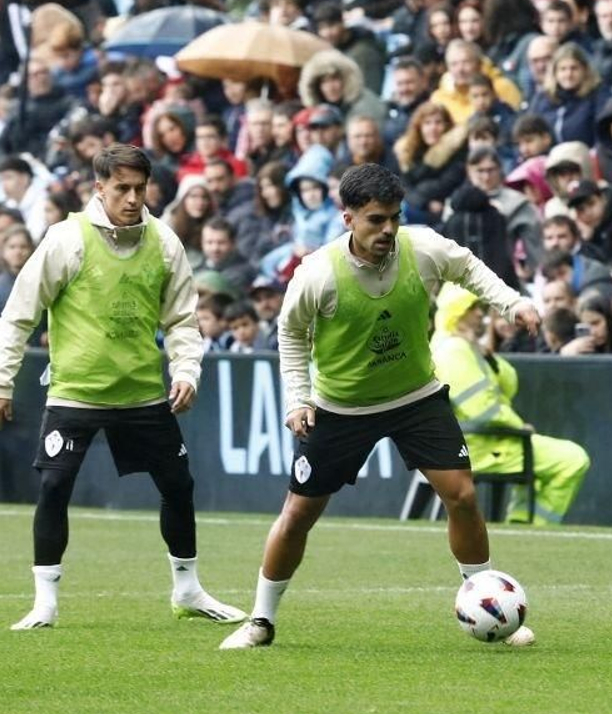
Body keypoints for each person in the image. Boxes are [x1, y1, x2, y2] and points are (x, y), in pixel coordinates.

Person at [219, 164, 543, 650]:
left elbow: (470, 268)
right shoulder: (318, 274)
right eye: (375, 220)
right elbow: (290, 334)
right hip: (341, 407)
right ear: (347, 218)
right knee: (299, 513)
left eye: (393, 217)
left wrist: (511, 304)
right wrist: (297, 399)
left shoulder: (424, 247)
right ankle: (260, 622)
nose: (387, 230)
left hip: (415, 396)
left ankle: (487, 600)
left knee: (463, 496)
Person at [0, 144, 245, 630]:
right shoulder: (67, 239)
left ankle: (188, 590)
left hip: (142, 392)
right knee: (55, 485)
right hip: (75, 392)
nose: (131, 198)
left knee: (178, 486)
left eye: (139, 189)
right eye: (121, 188)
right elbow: (19, 313)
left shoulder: (164, 242)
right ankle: (45, 603)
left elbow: (184, 320)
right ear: (98, 188)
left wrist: (186, 371)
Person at [430, 284, 591, 525]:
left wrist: (486, 355)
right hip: (481, 447)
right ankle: (531, 529)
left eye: (481, 307)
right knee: (573, 460)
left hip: (488, 443)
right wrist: (519, 427)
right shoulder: (453, 349)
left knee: (553, 465)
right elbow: (484, 411)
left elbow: (509, 384)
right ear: (456, 311)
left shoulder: (463, 346)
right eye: (472, 307)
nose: (480, 314)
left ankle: (519, 524)